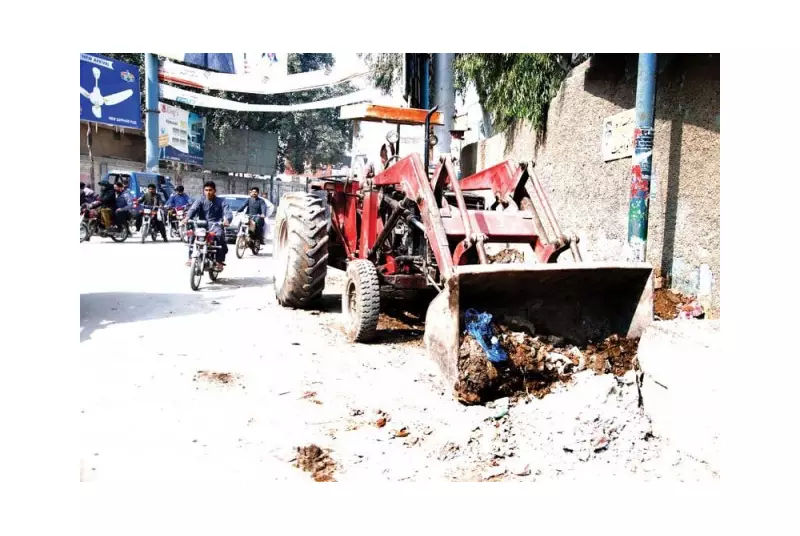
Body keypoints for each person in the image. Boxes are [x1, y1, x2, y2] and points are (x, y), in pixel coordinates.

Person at [184, 181, 231, 270]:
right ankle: (191, 258)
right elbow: (193, 209)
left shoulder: (221, 201)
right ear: (203, 191)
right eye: (206, 190)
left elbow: (227, 211)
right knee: (191, 235)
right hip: (201, 225)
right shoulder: (200, 200)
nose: (208, 192)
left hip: (216, 225)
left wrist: (227, 220)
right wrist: (187, 218)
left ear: (214, 191)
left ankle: (219, 261)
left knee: (220, 235)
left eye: (210, 190)